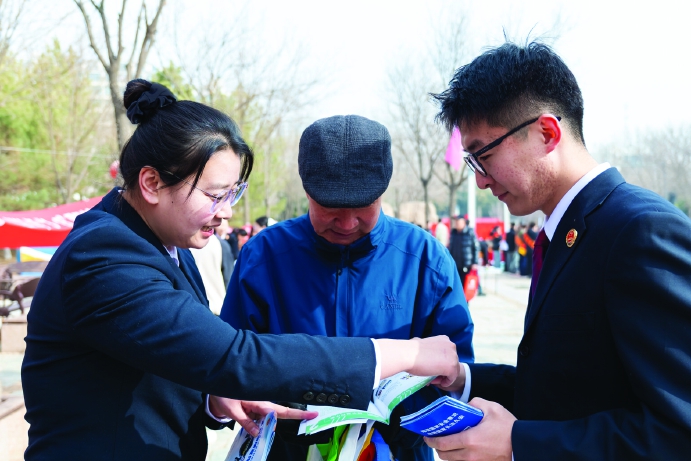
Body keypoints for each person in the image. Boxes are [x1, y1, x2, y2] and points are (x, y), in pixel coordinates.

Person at [20, 80, 463, 461]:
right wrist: (405, 355)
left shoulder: (167, 247)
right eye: (215, 195)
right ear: (152, 183)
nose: (227, 212)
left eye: (234, 193)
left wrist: (218, 399)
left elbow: (184, 364)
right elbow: (234, 355)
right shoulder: (104, 256)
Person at [426, 41, 691, 460]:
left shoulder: (640, 231)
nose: (480, 180)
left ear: (547, 133)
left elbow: (677, 432)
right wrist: (463, 380)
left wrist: (518, 443)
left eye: (483, 156)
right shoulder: (564, 233)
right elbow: (567, 389)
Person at [220, 114, 474, 461]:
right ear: (307, 191)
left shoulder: (426, 260)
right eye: (330, 208)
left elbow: (457, 373)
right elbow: (232, 365)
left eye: (363, 207)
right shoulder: (263, 257)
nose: (347, 222)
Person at [448, 216, 478, 288]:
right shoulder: (453, 233)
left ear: (464, 223)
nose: (457, 224)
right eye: (456, 222)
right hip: (455, 264)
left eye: (459, 222)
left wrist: (475, 262)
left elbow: (476, 248)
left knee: (466, 285)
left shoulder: (470, 232)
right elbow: (450, 248)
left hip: (467, 264)